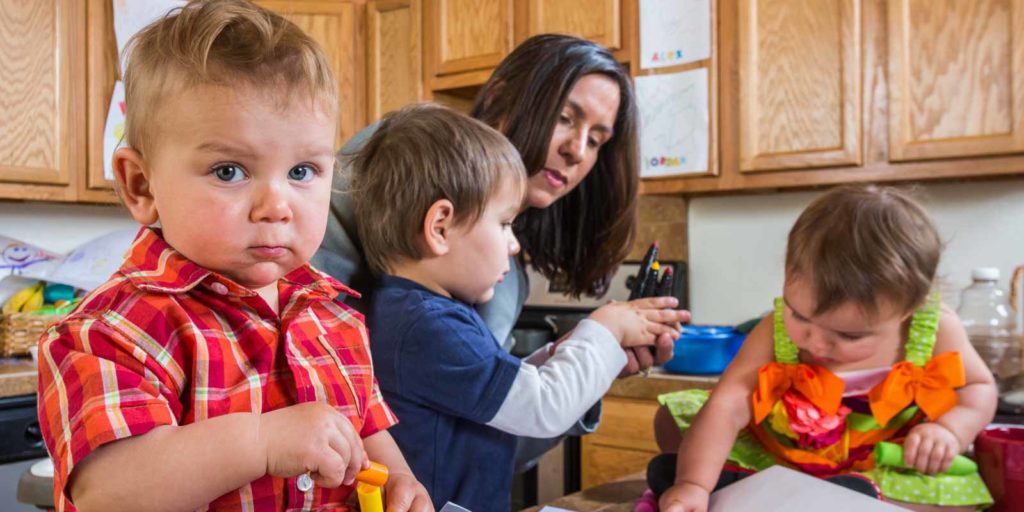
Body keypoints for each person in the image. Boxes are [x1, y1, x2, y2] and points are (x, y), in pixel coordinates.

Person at [35, 2, 430, 511]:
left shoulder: (336, 317)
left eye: (303, 171)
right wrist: (262, 443)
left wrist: (401, 480)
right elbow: (109, 494)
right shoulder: (110, 333)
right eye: (229, 171)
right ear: (140, 184)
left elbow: (367, 432)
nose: (277, 207)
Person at [313, 34, 689, 470]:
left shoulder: (503, 281)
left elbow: (483, 431)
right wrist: (593, 346)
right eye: (566, 118)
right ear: (499, 98)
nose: (576, 150)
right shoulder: (406, 158)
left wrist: (581, 366)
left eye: (597, 141)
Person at [347, 103, 682, 511]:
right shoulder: (425, 325)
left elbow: (507, 387)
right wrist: (605, 331)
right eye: (504, 223)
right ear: (440, 228)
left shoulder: (418, 312)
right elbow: (541, 407)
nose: (514, 244)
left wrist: (565, 351)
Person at [653, 185, 998, 512]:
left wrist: (949, 429)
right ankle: (730, 482)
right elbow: (728, 404)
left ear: (910, 308)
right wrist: (693, 483)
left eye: (849, 336)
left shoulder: (933, 328)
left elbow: (979, 387)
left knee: (959, 497)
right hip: (784, 456)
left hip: (882, 461)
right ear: (788, 274)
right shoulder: (773, 329)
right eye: (799, 315)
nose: (815, 343)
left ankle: (848, 497)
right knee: (673, 417)